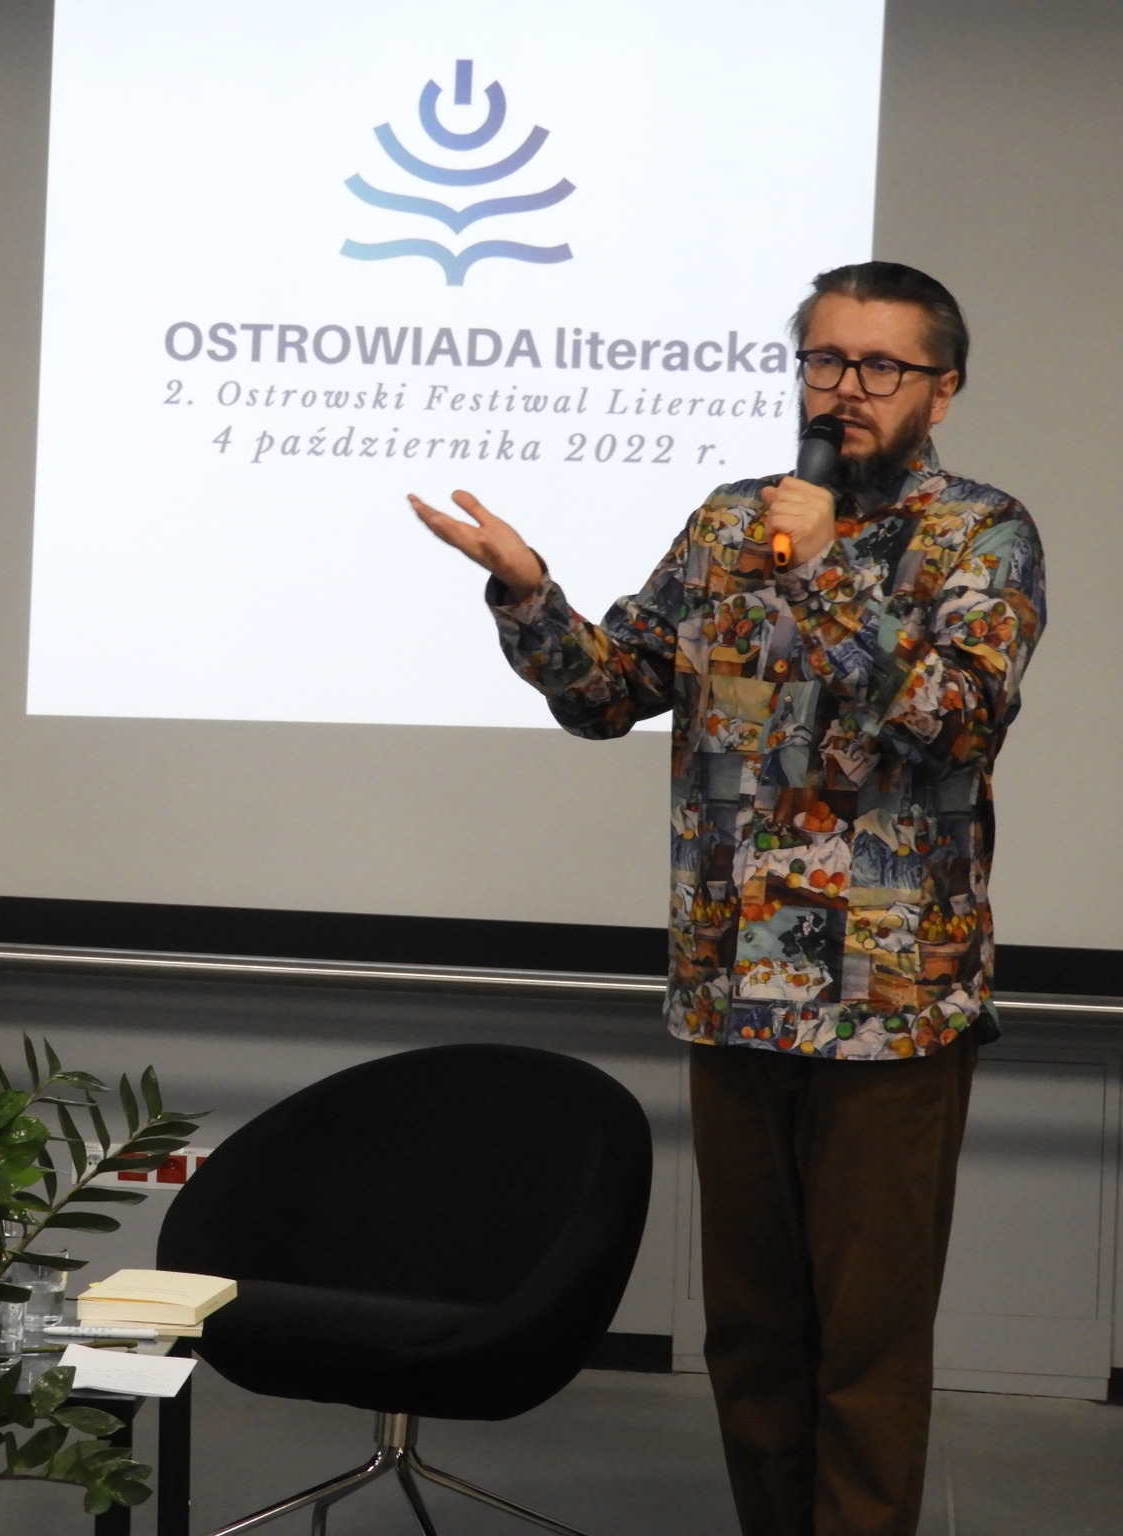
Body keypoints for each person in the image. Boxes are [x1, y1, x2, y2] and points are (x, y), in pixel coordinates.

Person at [410, 262, 1045, 1536]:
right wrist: (528, 596)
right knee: (750, 1337)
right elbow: (610, 693)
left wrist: (826, 571)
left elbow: (950, 722)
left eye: (880, 367)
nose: (845, 389)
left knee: (863, 1345)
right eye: (824, 360)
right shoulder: (725, 523)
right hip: (731, 988)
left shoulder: (981, 534)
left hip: (886, 1005)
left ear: (941, 391)